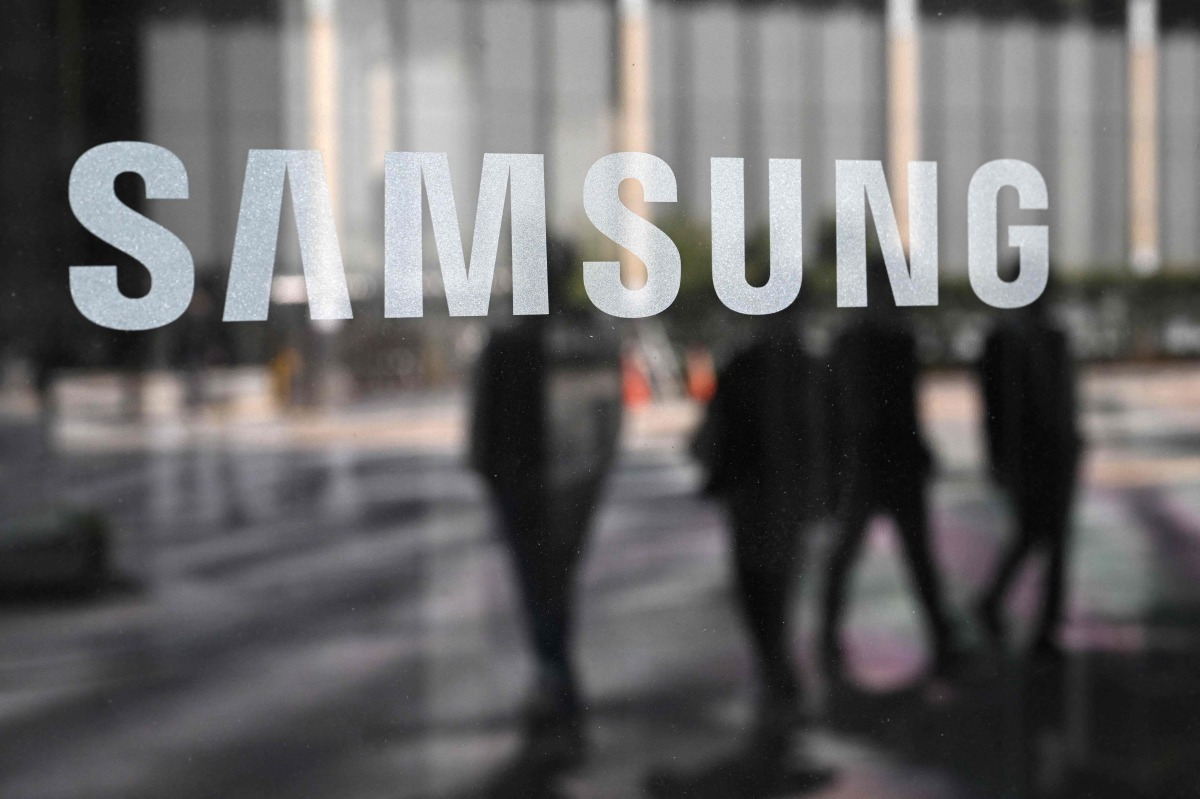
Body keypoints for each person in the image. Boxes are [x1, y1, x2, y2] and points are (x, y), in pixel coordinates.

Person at [469, 239, 622, 767]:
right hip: (560, 488)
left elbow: (484, 430)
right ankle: (556, 681)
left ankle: (556, 683)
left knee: (543, 588)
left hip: (539, 489)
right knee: (550, 588)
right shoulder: (581, 337)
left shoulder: (518, 341)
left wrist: (496, 478)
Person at [820, 255, 960, 681]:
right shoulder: (881, 343)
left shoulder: (874, 342)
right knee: (888, 557)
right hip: (875, 466)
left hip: (881, 465)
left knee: (877, 557)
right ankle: (939, 637)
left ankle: (831, 639)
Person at [975, 274, 1081, 660]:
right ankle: (1023, 616)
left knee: (1049, 539)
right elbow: (992, 411)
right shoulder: (1002, 341)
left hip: (1056, 452)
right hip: (1030, 455)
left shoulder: (1048, 337)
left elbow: (1066, 395)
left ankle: (1042, 625)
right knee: (1039, 535)